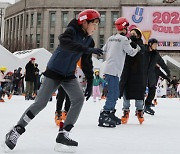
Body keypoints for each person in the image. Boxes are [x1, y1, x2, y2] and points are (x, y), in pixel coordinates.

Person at [4, 9, 103, 153]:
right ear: (84, 22)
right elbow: (65, 43)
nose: (95, 28)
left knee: (78, 99)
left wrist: (90, 78)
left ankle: (64, 134)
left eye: (97, 25)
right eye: (93, 24)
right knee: (40, 103)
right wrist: (86, 49)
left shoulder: (89, 41)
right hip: (54, 71)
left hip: (68, 74)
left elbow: (87, 63)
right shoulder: (71, 30)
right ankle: (16, 130)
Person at [98, 17, 141, 128]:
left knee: (114, 92)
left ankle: (110, 112)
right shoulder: (124, 40)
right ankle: (106, 113)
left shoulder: (111, 38)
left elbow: (103, 50)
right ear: (125, 27)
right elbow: (131, 53)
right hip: (115, 70)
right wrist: (137, 48)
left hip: (108, 68)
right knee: (113, 93)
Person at [119, 28, 146, 124]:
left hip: (138, 72)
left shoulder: (142, 45)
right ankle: (125, 111)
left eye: (134, 34)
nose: (132, 35)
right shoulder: (126, 43)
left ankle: (139, 110)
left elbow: (141, 51)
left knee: (139, 93)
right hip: (128, 71)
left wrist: (132, 41)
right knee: (126, 91)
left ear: (138, 35)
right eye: (131, 33)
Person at [144, 38, 170, 115]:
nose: (156, 46)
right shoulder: (143, 52)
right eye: (155, 44)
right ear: (150, 44)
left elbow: (163, 64)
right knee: (141, 90)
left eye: (156, 44)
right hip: (142, 73)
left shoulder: (156, 55)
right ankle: (139, 107)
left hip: (151, 74)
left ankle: (147, 105)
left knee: (152, 90)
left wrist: (168, 73)